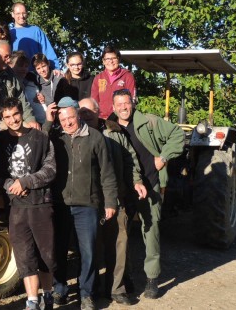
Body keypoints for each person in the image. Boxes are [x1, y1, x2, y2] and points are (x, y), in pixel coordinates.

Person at [43, 97, 118, 310]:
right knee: (58, 250)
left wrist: (110, 201)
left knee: (89, 251)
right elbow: (38, 142)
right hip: (61, 203)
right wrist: (48, 121)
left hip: (88, 204)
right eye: (63, 119)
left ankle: (86, 293)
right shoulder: (55, 137)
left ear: (78, 115)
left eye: (70, 117)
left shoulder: (96, 138)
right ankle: (60, 289)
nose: (67, 123)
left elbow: (107, 173)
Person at [111, 89, 184, 300]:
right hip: (124, 188)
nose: (124, 107)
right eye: (119, 104)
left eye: (127, 103)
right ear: (113, 107)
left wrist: (163, 157)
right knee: (121, 235)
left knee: (150, 231)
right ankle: (126, 278)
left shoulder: (148, 122)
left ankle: (152, 278)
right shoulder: (110, 128)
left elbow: (177, 134)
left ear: (132, 103)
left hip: (150, 184)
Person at [0, 97, 56, 310]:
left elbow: (50, 169)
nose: (13, 120)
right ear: (2, 119)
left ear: (22, 113)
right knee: (24, 255)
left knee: (46, 254)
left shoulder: (40, 137)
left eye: (15, 114)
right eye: (7, 117)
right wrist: (12, 185)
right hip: (16, 207)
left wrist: (25, 181)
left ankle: (48, 295)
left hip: (41, 204)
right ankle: (32, 301)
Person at [78, 97, 146, 305]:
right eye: (81, 112)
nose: (85, 116)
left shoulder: (115, 133)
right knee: (92, 247)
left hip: (116, 196)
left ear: (98, 111)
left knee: (119, 244)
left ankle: (116, 289)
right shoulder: (75, 135)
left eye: (89, 112)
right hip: (89, 201)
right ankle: (93, 289)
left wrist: (136, 181)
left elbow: (130, 159)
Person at [0, 41, 38, 130]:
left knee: (33, 128)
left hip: (12, 117)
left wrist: (30, 119)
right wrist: (8, 119)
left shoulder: (10, 73)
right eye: (6, 56)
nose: (9, 60)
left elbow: (21, 99)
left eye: (9, 56)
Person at [9, 2, 60, 70]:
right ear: (12, 14)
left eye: (24, 13)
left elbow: (47, 51)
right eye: (18, 13)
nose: (21, 16)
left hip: (35, 75)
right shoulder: (9, 33)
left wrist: (56, 68)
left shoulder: (36, 31)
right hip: (15, 74)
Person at [91, 44, 136, 119]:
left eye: (113, 58)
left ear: (118, 59)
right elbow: (94, 100)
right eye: (107, 59)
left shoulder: (127, 76)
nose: (111, 61)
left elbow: (132, 99)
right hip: (102, 118)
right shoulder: (98, 78)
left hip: (121, 118)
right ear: (103, 61)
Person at [32, 53, 76, 124]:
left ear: (48, 64)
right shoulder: (34, 82)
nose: (42, 70)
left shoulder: (59, 78)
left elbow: (68, 100)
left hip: (62, 116)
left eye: (43, 66)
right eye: (38, 68)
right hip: (45, 119)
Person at [10, 51, 44, 124]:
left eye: (26, 66)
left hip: (41, 122)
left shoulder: (32, 84)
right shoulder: (8, 85)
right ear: (10, 65)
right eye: (20, 65)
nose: (24, 69)